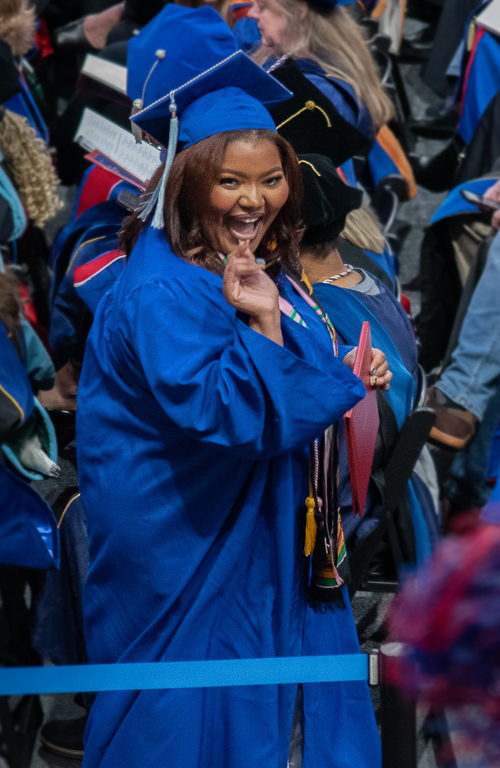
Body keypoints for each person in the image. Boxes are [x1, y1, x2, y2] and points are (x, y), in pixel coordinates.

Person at [77, 6, 391, 766]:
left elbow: (290, 377)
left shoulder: (240, 272)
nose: (256, 200)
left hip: (272, 557)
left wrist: (345, 373)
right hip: (196, 570)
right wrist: (288, 355)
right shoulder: (161, 292)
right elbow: (242, 414)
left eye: (272, 179)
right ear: (187, 180)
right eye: (230, 181)